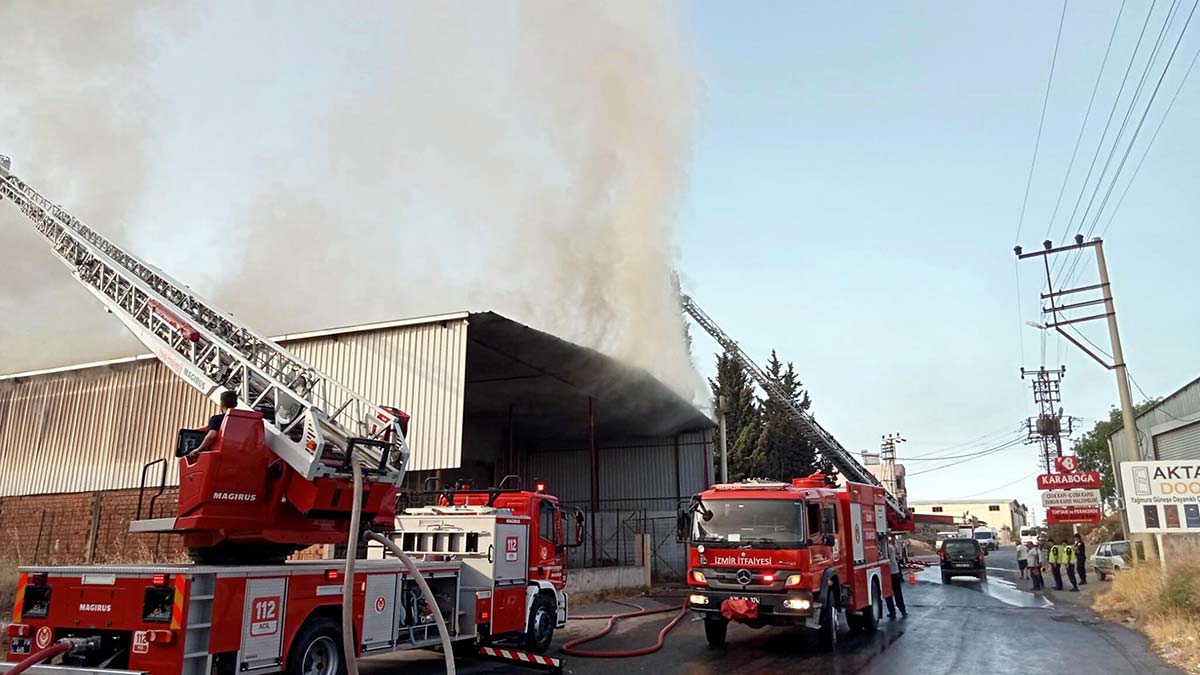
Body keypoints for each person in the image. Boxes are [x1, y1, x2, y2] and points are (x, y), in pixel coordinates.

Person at [188, 390, 238, 459]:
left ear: (222, 404)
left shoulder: (216, 419)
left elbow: (211, 436)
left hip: (220, 458)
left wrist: (198, 449)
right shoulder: (243, 421)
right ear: (236, 404)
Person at [884, 538, 907, 619]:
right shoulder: (891, 547)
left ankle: (892, 612)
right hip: (895, 573)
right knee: (898, 593)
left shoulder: (886, 548)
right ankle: (903, 610)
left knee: (888, 595)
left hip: (888, 574)